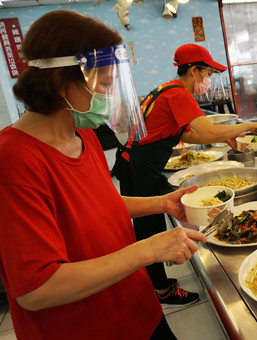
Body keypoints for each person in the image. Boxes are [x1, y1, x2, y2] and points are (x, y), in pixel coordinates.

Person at [0, 10, 206, 339]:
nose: (110, 98)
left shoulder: (83, 135)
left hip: (138, 310)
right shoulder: (14, 159)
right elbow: (37, 289)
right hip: (83, 329)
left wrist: (161, 204)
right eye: (105, 85)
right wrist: (149, 250)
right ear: (60, 83)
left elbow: (98, 202)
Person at [116, 44, 257, 307]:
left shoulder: (166, 89)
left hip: (137, 165)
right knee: (148, 228)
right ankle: (162, 290)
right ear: (194, 71)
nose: (207, 80)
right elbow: (208, 133)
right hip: (139, 168)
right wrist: (250, 125)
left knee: (165, 211)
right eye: (207, 73)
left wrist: (229, 136)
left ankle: (159, 281)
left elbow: (185, 134)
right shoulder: (178, 95)